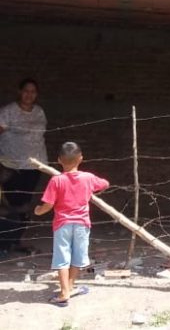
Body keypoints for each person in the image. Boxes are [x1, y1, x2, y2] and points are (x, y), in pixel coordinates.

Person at [34, 142, 109, 307]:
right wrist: (92, 190)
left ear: (59, 160)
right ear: (81, 158)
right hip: (82, 224)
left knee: (62, 258)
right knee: (77, 256)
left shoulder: (56, 180)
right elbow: (105, 183)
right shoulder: (88, 178)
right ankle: (69, 286)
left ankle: (64, 293)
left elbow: (48, 205)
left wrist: (38, 210)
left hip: (62, 224)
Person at [0, 78, 48, 256]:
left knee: (25, 203)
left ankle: (16, 239)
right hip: (11, 165)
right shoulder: (8, 112)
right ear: (19, 91)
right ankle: (6, 241)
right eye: (26, 91)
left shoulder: (39, 112)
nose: (29, 95)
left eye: (33, 92)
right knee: (12, 203)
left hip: (34, 164)